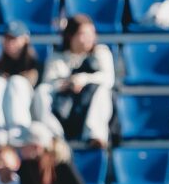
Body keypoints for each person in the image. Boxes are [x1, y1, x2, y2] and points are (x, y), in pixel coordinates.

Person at [43, 16, 115, 146]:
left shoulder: (101, 52)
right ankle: (54, 136)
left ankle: (95, 137)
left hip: (89, 108)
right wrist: (68, 84)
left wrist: (84, 79)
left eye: (92, 33)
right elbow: (48, 84)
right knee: (42, 92)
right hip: (64, 111)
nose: (90, 38)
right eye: (84, 34)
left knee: (103, 89)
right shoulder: (57, 57)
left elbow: (109, 79)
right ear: (71, 35)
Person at [0, 21, 51, 146]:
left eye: (14, 38)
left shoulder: (35, 65)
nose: (10, 42)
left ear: (25, 39)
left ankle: (19, 129)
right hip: (2, 118)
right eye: (7, 38)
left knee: (16, 82)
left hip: (29, 113)